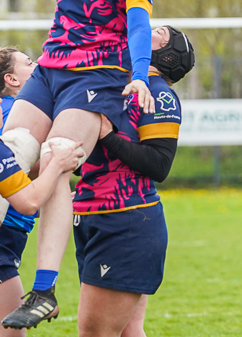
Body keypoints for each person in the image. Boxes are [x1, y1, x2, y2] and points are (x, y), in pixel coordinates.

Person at [1, 0, 189, 328]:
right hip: (50, 68)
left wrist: (139, 74)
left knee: (56, 155)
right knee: (14, 145)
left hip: (95, 77)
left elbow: (140, 25)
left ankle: (43, 290)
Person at [73, 25, 195, 337]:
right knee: (127, 331)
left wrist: (108, 137)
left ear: (165, 54)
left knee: (95, 332)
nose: (146, 29)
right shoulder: (115, 84)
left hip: (125, 221)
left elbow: (159, 164)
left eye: (160, 32)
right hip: (92, 217)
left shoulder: (158, 93)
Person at [0, 48, 37, 337]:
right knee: (12, 330)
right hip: (6, 229)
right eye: (29, 62)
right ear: (11, 78)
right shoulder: (16, 112)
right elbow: (29, 170)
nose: (36, 64)